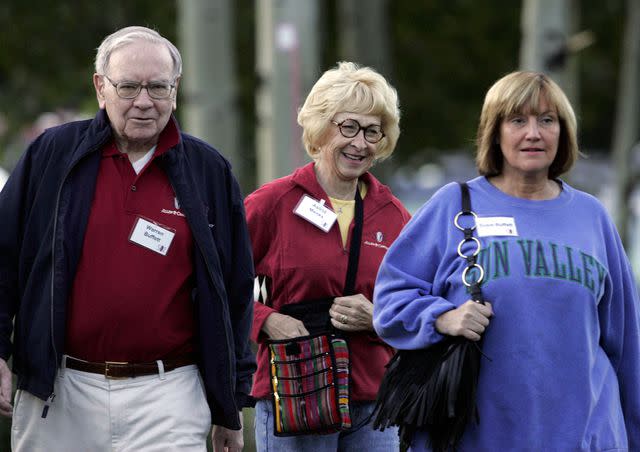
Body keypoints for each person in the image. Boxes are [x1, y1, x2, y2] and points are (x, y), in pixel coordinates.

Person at [0, 26, 255, 451]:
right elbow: (3, 256)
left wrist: (230, 401)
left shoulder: (208, 171)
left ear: (175, 90)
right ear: (101, 88)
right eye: (129, 86)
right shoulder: (53, 154)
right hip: (58, 391)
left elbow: (234, 289)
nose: (143, 101)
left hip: (169, 392)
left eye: (157, 87)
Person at [373, 71, 640, 451]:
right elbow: (389, 300)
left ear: (563, 133)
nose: (534, 133)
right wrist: (441, 317)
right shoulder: (454, 205)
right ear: (494, 132)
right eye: (517, 120)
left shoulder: (592, 217)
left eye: (547, 120)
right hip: (477, 436)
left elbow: (628, 345)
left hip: (586, 437)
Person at [245, 61, 411, 451]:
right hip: (297, 395)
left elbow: (417, 302)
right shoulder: (271, 204)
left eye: (373, 131)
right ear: (320, 128)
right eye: (348, 126)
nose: (361, 143)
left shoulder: (396, 215)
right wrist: (264, 320)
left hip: (376, 405)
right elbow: (216, 284)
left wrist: (379, 317)